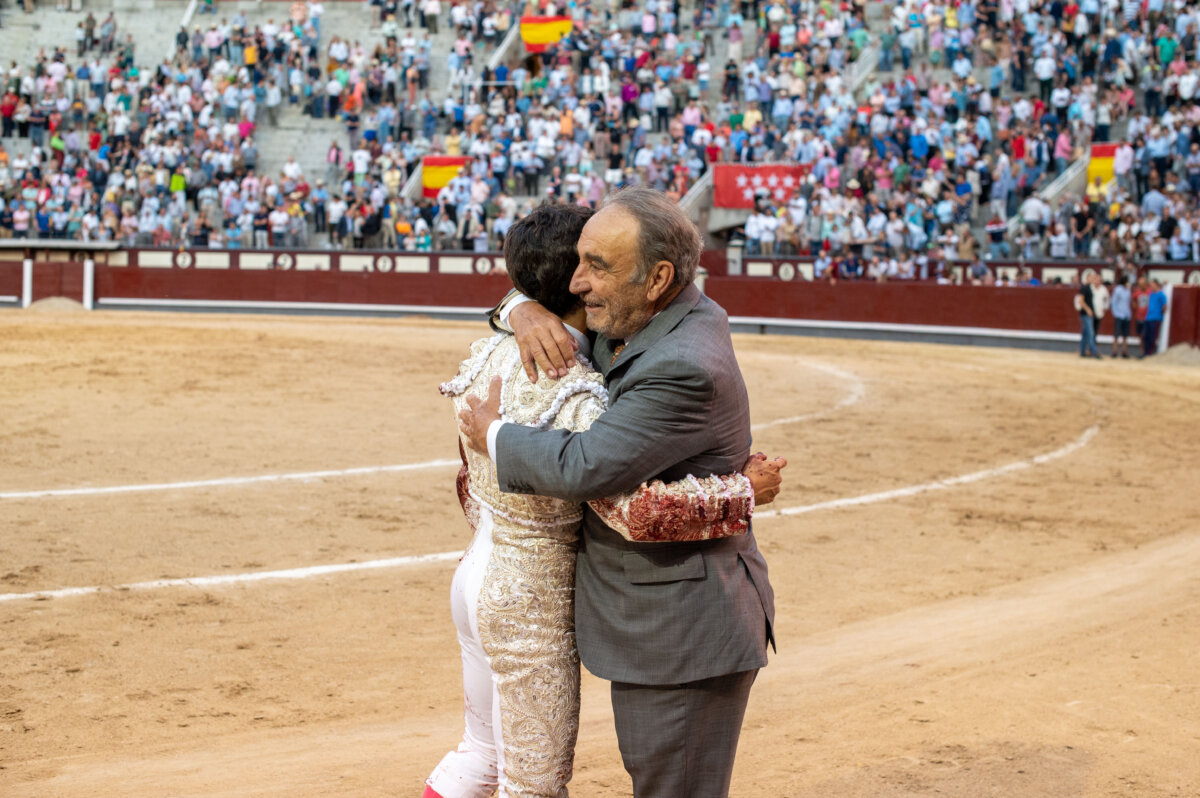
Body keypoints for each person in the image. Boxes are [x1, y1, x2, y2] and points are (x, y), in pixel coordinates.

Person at [429, 203, 785, 798]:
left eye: (597, 267)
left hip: (482, 569)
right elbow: (625, 503)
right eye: (578, 266)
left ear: (658, 279)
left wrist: (519, 310)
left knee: (480, 754)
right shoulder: (578, 368)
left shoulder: (495, 353)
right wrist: (743, 489)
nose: (579, 282)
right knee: (530, 783)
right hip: (530, 594)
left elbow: (488, 481)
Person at [1076, 272, 1101, 358]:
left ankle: (1083, 352)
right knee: (1090, 333)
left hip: (1087, 314)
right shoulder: (1084, 288)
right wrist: (1088, 310)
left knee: (1085, 334)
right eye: (1091, 278)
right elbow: (1081, 301)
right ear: (1087, 278)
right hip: (1086, 314)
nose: (1093, 279)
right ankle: (1094, 352)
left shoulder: (1088, 288)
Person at [1142, 279, 1168, 357]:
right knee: (1146, 336)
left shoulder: (1161, 294)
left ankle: (1150, 353)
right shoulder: (1151, 293)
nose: (1151, 286)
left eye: (1152, 285)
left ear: (1156, 285)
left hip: (1156, 318)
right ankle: (1146, 352)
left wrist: (1159, 314)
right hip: (1148, 317)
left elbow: (1164, 307)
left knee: (1152, 337)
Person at [1110, 275, 1133, 358]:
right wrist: (1115, 313)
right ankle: (1114, 351)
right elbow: (1113, 302)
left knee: (1125, 335)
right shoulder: (1118, 290)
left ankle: (1124, 352)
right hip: (1119, 314)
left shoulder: (1128, 290)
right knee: (1116, 334)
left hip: (1126, 315)